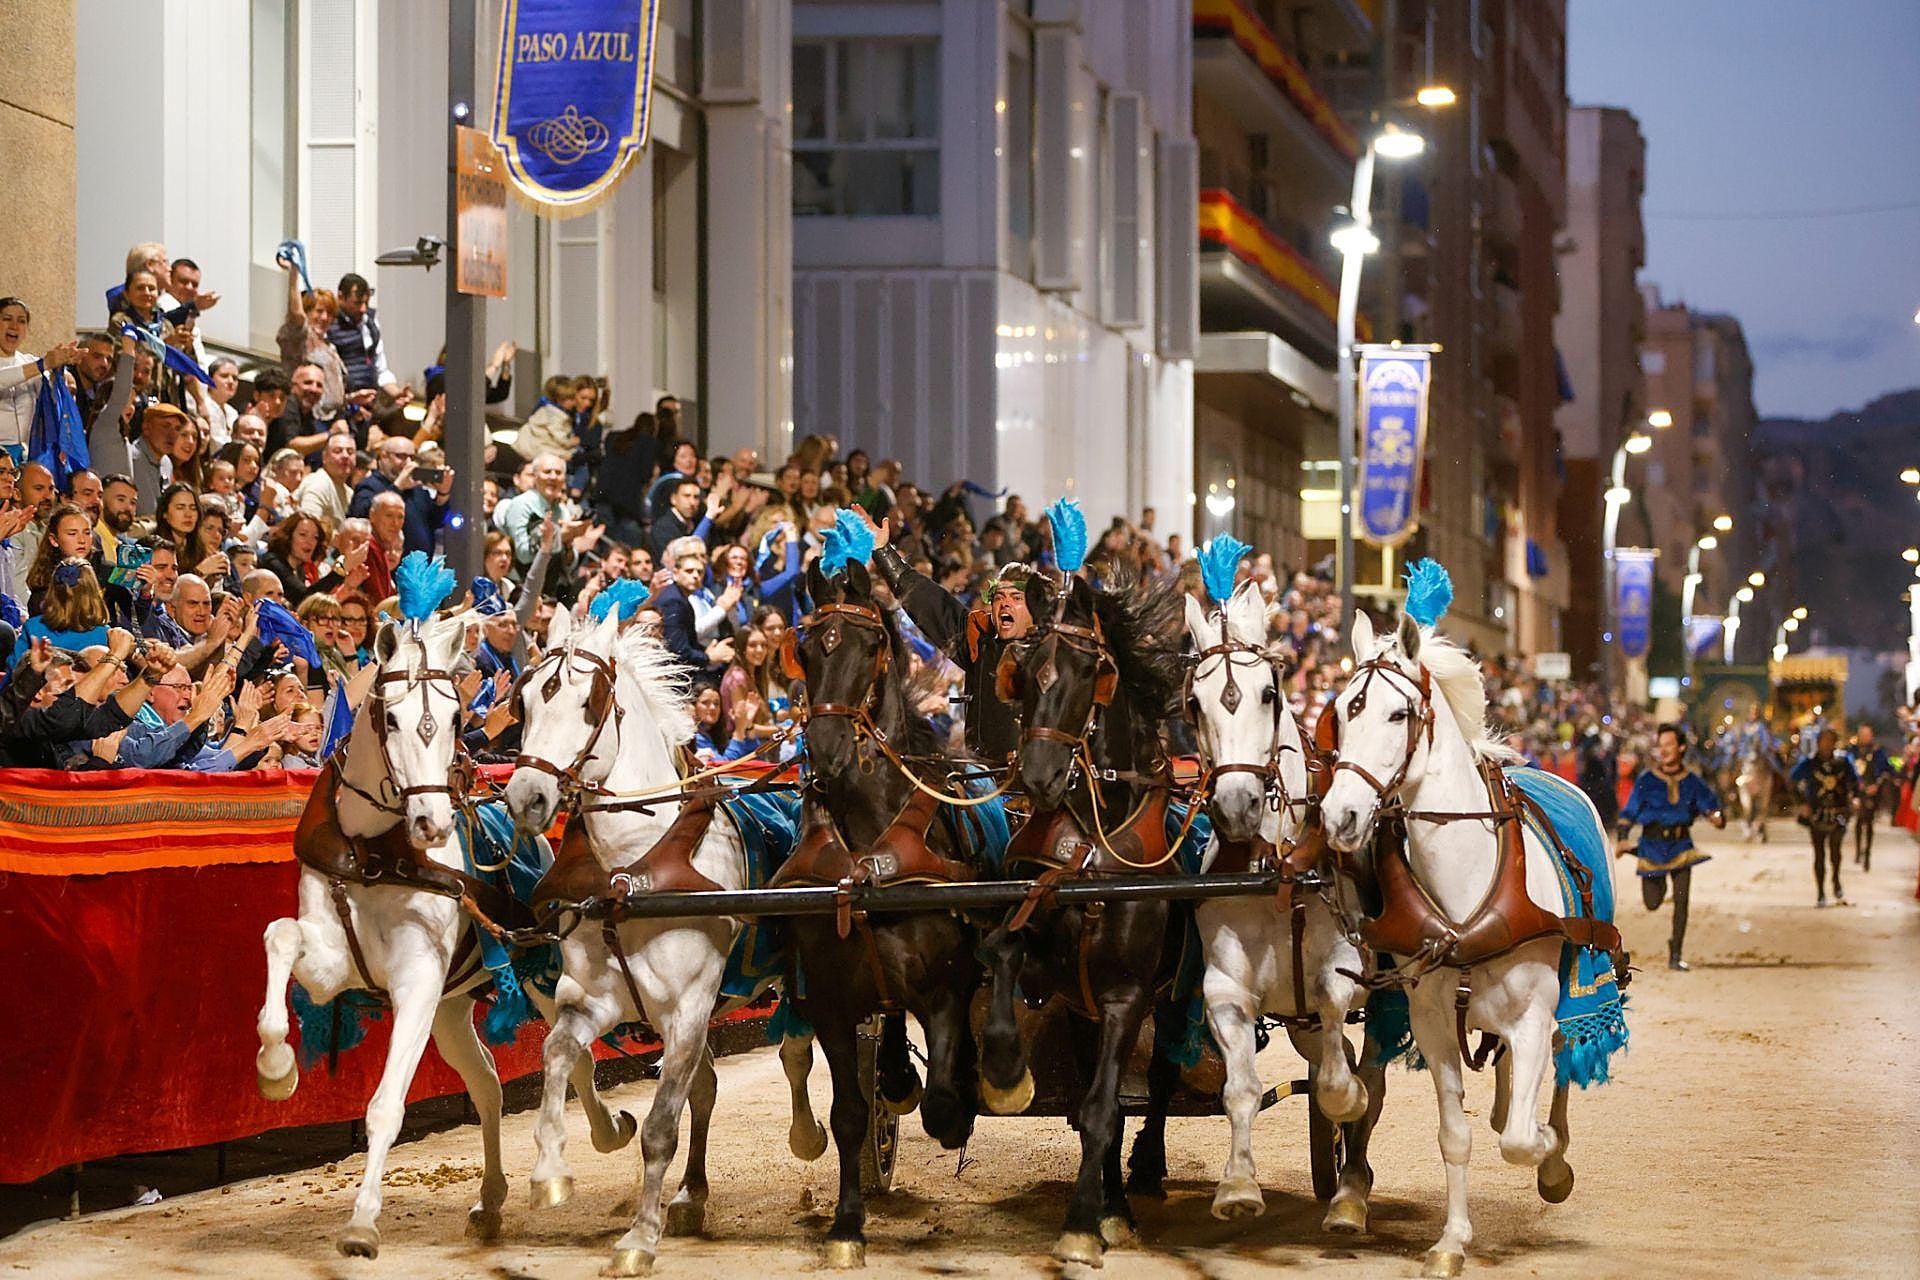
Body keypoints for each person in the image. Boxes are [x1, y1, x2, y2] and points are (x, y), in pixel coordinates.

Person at [866, 508, 1048, 762]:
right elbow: (928, 601)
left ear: (1035, 606)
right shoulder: (977, 638)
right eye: (998, 597)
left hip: (1038, 787)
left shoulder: (1054, 652)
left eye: (1016, 598)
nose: (1005, 604)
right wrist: (884, 553)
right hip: (984, 781)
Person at [1615, 722, 1725, 971]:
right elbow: (1630, 811)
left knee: (1682, 900)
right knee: (1652, 902)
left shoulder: (1693, 781)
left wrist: (1716, 817)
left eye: (1669, 745)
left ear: (1681, 747)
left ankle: (1676, 953)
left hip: (1681, 846)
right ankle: (1636, 852)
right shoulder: (1647, 779)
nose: (1663, 750)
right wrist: (1623, 835)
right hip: (1652, 847)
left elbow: (1712, 806)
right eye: (1660, 745)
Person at [0, 297, 81, 451]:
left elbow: (52, 400)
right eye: (7, 319)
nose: (14, 326)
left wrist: (59, 369)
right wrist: (43, 364)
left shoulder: (30, 361)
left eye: (22, 321)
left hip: (27, 454)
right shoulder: (36, 365)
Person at [1791, 728, 1856, 906]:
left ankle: (1836, 880)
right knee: (1819, 854)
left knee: (1835, 851)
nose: (1827, 745)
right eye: (1823, 741)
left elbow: (1854, 783)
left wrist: (1854, 799)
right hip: (1816, 814)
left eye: (1830, 741)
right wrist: (1802, 803)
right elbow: (1792, 780)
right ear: (1818, 743)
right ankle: (1820, 892)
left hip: (1838, 813)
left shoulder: (1843, 763)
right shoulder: (1809, 763)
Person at [327, 273, 410, 405]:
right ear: (341, 297)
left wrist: (397, 393)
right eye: (357, 303)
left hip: (372, 399)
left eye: (366, 302)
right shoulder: (329, 324)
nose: (363, 309)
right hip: (343, 402)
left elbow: (380, 369)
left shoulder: (370, 323)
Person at [1842, 723, 1893, 871]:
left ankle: (1867, 854)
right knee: (1858, 821)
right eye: (1862, 734)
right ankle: (1858, 851)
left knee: (1869, 823)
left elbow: (1887, 770)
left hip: (1873, 791)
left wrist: (1877, 784)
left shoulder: (1878, 752)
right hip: (1858, 791)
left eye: (1867, 734)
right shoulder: (1852, 752)